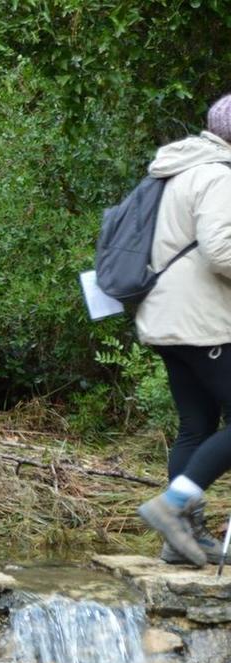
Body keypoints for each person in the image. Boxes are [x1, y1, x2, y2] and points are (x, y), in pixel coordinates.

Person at [136, 93, 231, 568]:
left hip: (166, 320)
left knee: (196, 424)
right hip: (204, 323)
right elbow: (220, 251)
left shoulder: (177, 170)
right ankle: (172, 508)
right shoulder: (218, 176)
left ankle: (181, 540)